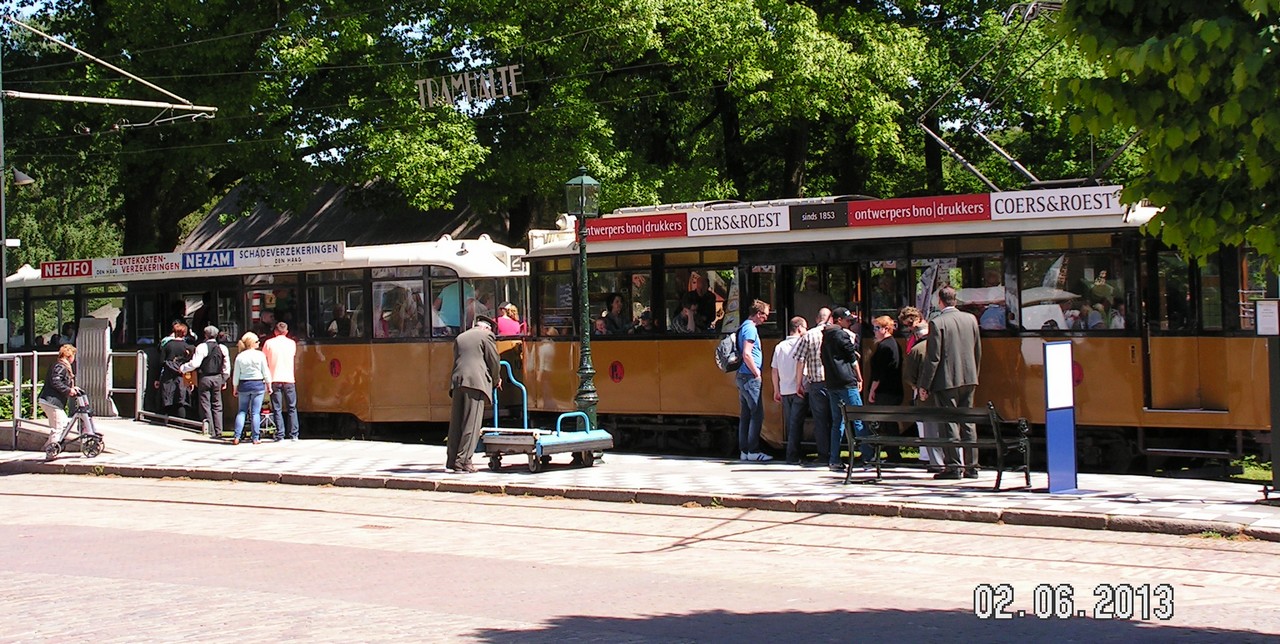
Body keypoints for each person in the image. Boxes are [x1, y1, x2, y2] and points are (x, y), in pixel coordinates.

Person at [918, 285, 983, 480]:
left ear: (940, 301)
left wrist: (925, 385)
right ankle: (972, 467)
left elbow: (933, 358)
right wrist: (974, 374)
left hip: (946, 380)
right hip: (969, 377)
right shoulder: (971, 319)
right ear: (955, 299)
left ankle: (954, 466)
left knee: (949, 423)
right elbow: (977, 350)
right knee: (968, 422)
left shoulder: (937, 323)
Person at [446, 315, 501, 473]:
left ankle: (451, 460)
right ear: (487, 328)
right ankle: (464, 461)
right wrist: (496, 379)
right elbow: (494, 360)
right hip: (475, 383)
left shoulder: (460, 337)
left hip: (458, 381)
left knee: (456, 423)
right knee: (472, 422)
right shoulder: (486, 336)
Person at [821, 307, 865, 471]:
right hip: (847, 383)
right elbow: (852, 359)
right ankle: (868, 456)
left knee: (837, 422)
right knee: (857, 418)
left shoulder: (825, 337)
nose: (850, 323)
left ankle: (834, 459)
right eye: (848, 320)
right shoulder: (842, 334)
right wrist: (859, 377)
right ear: (838, 320)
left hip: (832, 384)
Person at [901, 307, 944, 471]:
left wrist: (918, 386)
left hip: (922, 383)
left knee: (925, 421)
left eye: (910, 324)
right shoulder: (916, 336)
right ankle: (927, 455)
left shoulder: (921, 338)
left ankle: (927, 456)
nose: (909, 328)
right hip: (923, 383)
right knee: (925, 422)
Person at [792, 307, 832, 466]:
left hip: (817, 383)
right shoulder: (842, 333)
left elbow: (800, 360)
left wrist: (799, 383)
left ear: (817, 319)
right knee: (837, 419)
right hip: (836, 384)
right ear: (832, 319)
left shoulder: (809, 335)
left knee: (820, 421)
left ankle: (824, 456)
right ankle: (837, 454)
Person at [736, 299, 772, 462]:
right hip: (749, 376)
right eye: (765, 315)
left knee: (746, 415)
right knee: (757, 413)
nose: (766, 319)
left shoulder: (744, 326)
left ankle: (744, 451)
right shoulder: (750, 329)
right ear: (758, 314)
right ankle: (753, 450)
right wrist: (756, 372)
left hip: (742, 376)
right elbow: (747, 353)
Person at [180, 325, 231, 440]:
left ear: (205, 335)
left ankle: (209, 430)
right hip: (218, 377)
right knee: (217, 404)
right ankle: (219, 430)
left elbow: (195, 363)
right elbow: (226, 366)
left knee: (205, 404)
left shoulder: (202, 347)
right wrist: (224, 379)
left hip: (205, 377)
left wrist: (183, 368)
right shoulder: (222, 348)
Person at [866, 315, 905, 461]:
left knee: (887, 423)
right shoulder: (892, 344)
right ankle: (893, 453)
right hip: (893, 390)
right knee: (889, 423)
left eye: (877, 328)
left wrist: (872, 390)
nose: (874, 331)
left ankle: (893, 454)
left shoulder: (885, 346)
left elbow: (880, 372)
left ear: (886, 329)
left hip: (885, 390)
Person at [772, 315, 808, 464]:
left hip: (784, 390)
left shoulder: (779, 346)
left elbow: (774, 370)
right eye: (805, 328)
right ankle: (792, 456)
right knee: (796, 424)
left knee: (791, 423)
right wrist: (800, 384)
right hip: (799, 389)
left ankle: (793, 454)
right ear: (799, 328)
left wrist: (776, 390)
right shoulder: (802, 344)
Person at [38, 344, 84, 456]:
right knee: (58, 427)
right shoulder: (60, 366)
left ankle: (47, 447)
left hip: (52, 401)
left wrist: (72, 388)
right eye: (73, 355)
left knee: (64, 424)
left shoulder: (61, 365)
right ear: (69, 356)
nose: (74, 359)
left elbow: (60, 381)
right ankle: (50, 452)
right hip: (51, 401)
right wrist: (69, 390)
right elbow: (56, 382)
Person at [230, 332, 272, 445]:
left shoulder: (240, 356)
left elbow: (236, 374)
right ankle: (255, 438)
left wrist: (235, 387)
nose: (259, 343)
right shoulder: (260, 355)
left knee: (242, 411)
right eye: (257, 341)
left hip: (244, 385)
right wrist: (269, 384)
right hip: (258, 384)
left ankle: (237, 436)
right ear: (252, 343)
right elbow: (265, 371)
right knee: (255, 413)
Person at [263, 321, 300, 442]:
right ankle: (294, 434)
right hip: (289, 379)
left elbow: (264, 360)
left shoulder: (268, 343)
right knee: (292, 407)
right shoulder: (292, 344)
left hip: (274, 378)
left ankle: (280, 434)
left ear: (275, 331)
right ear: (286, 332)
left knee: (277, 408)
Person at [156, 321, 194, 420]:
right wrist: (192, 381)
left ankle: (166, 421)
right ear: (185, 333)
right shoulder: (188, 347)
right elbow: (191, 365)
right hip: (183, 376)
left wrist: (157, 379)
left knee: (167, 399)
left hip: (168, 376)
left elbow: (161, 362)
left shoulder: (167, 345)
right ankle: (181, 423)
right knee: (181, 401)